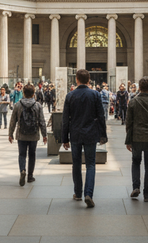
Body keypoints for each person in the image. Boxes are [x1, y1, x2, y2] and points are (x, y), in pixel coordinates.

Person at [61, 68, 107, 208]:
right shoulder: (95, 95)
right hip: (91, 134)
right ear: (88, 80)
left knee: (76, 164)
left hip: (75, 134)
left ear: (76, 79)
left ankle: (78, 193)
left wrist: (65, 138)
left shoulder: (70, 95)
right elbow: (101, 116)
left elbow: (65, 119)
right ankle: (89, 194)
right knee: (90, 164)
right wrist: (103, 135)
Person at [9, 83, 48, 185]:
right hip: (34, 134)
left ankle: (22, 170)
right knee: (32, 154)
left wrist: (10, 134)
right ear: (33, 93)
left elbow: (13, 121)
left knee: (22, 154)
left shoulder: (18, 105)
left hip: (21, 134)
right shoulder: (37, 105)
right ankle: (30, 176)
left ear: (23, 93)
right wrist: (44, 135)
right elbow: (42, 121)